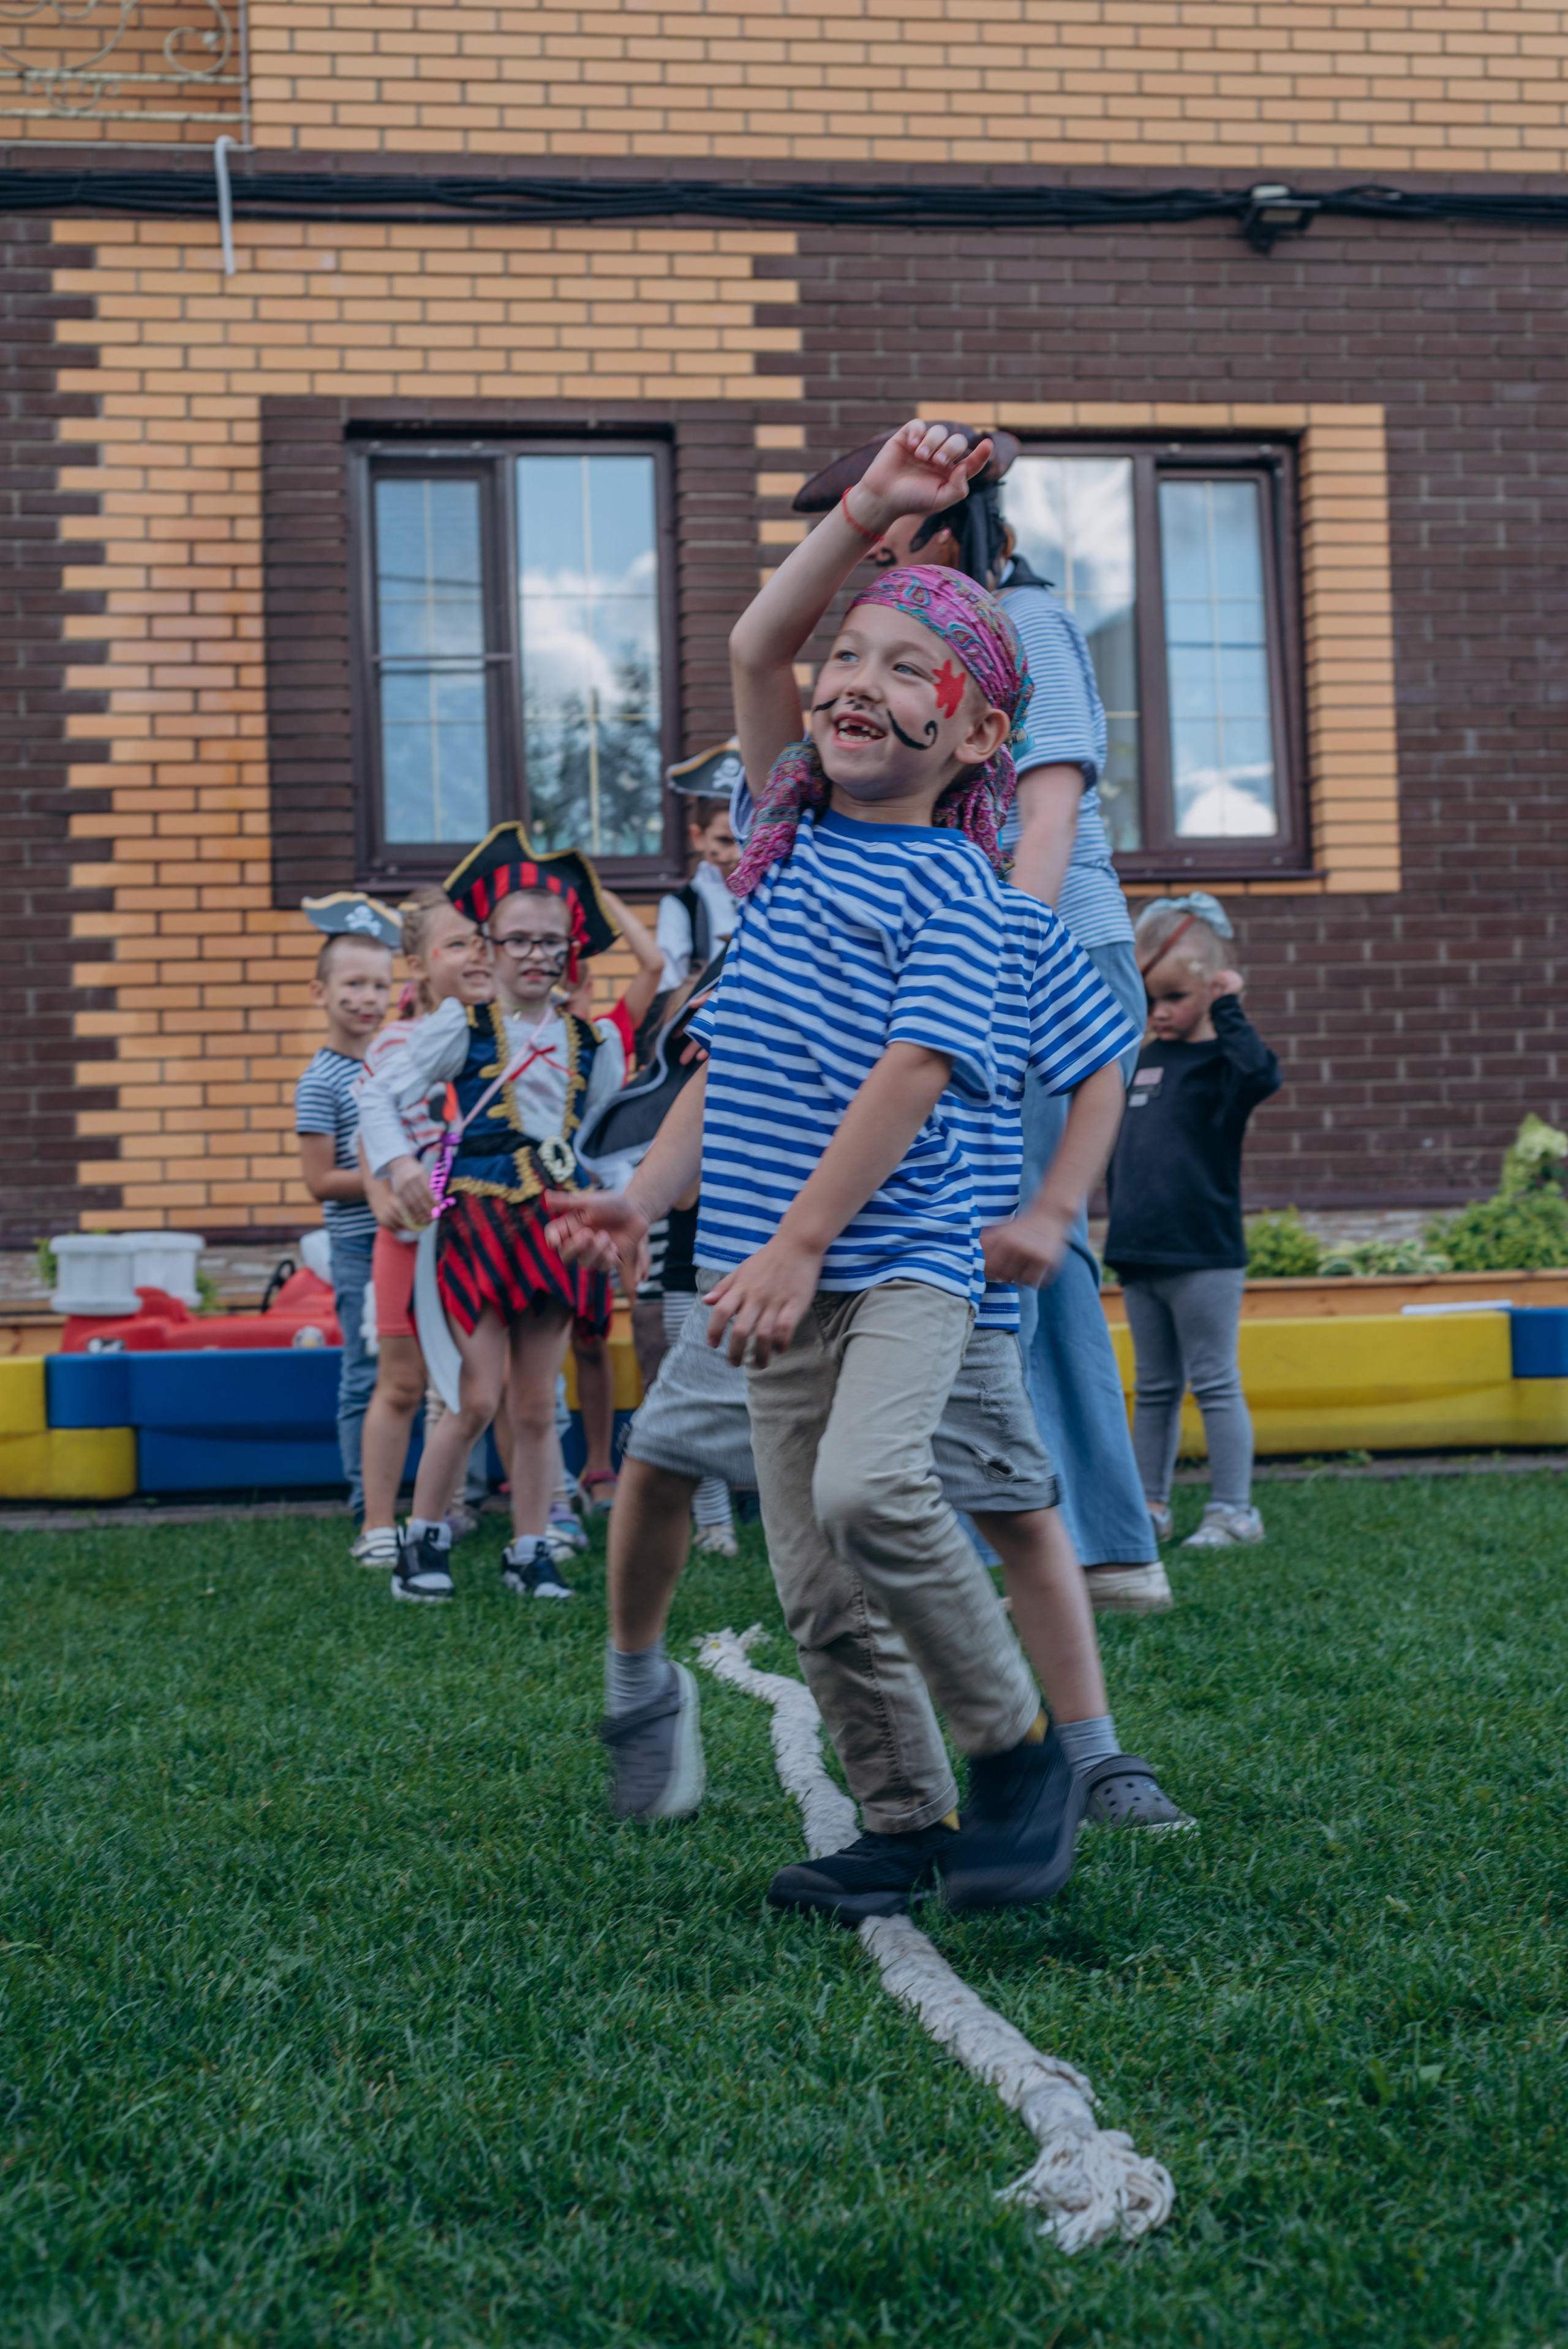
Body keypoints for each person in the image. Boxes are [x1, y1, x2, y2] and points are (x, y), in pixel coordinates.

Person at [551, 419, 1102, 1921]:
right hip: (764, 1279)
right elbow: (754, 639)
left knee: (870, 1490)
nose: (856, 678)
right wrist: (867, 510)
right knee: (812, 1583)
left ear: (978, 736)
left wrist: (799, 1243)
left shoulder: (964, 894)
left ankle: (1016, 1752)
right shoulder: (782, 845)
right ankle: (901, 1817)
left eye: (909, 668)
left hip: (894, 1263)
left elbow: (911, 1072)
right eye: (847, 656)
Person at [567, 878, 1191, 1850]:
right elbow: (717, 1077)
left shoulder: (1008, 923)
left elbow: (1100, 1063)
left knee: (1011, 1507)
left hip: (941, 1274)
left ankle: (1090, 1750)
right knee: (664, 1459)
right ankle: (645, 1687)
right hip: (769, 1280)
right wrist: (643, 1199)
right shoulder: (791, 912)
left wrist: (1054, 1210)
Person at [800, 428, 1167, 1615]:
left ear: (954, 534)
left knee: (1016, 1243)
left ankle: (1090, 1543)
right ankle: (1070, 1542)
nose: (873, 556)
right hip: (995, 953)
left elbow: (1045, 822)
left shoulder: (1027, 623)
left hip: (1048, 957)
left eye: (889, 534)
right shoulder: (944, 640)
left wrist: (994, 974)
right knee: (995, 1245)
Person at [355, 826, 627, 1604]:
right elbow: (376, 1094)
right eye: (519, 941)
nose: (536, 955)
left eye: (551, 942)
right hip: (477, 1225)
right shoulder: (459, 1028)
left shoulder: (594, 1041)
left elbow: (607, 1142)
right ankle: (422, 1540)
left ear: (572, 949)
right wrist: (404, 1165)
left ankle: (531, 1549)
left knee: (537, 1403)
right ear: (489, 948)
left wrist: (619, 1214)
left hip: (556, 1228)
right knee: (474, 1395)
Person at [1105, 893, 1283, 1552]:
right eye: (1150, 998)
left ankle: (1234, 1511)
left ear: (1211, 986)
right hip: (1140, 1251)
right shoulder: (1141, 1059)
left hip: (1203, 1253)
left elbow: (1262, 1074)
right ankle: (1149, 1506)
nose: (1160, 1011)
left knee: (1214, 1382)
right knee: (1153, 1388)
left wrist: (1228, 1008)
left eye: (1175, 997)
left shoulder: (1224, 1065)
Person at [350, 888, 496, 1570]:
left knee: (478, 1387)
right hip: (410, 1240)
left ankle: (451, 1514)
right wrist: (381, 1188)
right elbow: (370, 1120)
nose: (477, 954)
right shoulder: (394, 1041)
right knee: (401, 1384)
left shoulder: (509, 1037)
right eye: (458, 942)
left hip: (481, 1238)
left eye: (484, 940)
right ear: (418, 964)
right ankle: (378, 1522)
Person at [554, 887, 665, 1515]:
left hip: (598, 1199)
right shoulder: (510, 1034)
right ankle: (540, 1481)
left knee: (594, 1336)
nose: (564, 1001)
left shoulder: (604, 1036)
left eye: (574, 990)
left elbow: (653, 964)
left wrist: (599, 895)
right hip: (533, 1198)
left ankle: (601, 1467)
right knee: (533, 1342)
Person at [294, 895, 398, 1522]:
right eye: (354, 984)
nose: (369, 998)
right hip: (359, 1247)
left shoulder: (396, 1065)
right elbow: (319, 1181)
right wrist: (396, 1173)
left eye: (380, 985)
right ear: (320, 992)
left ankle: (449, 1499)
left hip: (408, 1241)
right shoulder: (319, 1081)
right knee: (365, 1372)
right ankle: (367, 1501)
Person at [656, 742, 745, 989]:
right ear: (698, 837)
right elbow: (670, 987)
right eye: (725, 840)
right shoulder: (681, 906)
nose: (738, 854)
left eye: (747, 840)